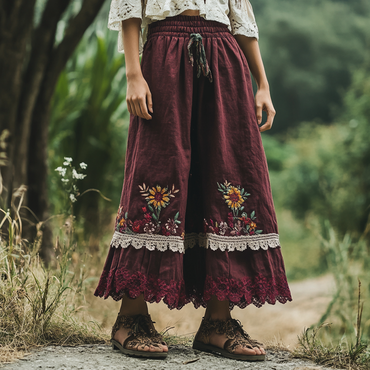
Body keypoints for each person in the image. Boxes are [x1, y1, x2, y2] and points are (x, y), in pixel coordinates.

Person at [95, 0, 292, 362]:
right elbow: (129, 8)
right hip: (164, 55)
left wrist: (263, 84)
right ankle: (131, 316)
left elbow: (242, 21)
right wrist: (133, 74)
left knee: (230, 173)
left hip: (224, 56)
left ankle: (218, 322)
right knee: (157, 173)